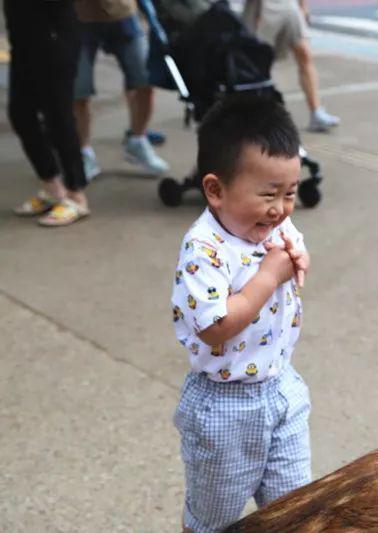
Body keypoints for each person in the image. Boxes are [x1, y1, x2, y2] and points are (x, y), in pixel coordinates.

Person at [171, 93, 312, 532]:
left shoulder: (272, 221)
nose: (281, 209)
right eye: (269, 195)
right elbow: (214, 327)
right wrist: (269, 277)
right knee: (214, 520)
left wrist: (298, 254)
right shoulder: (204, 249)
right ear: (215, 189)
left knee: (298, 511)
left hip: (282, 389)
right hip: (224, 408)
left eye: (290, 193)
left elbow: (291, 240)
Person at [6, 0, 91, 226]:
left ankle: (76, 195)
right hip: (22, 37)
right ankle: (52, 187)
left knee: (58, 117)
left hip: (54, 37)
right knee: (21, 114)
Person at [73, 0, 170, 179]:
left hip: (123, 13)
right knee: (79, 92)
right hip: (79, 18)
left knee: (145, 79)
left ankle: (137, 140)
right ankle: (84, 152)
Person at [242, 0, 340, 132]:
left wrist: (303, 6)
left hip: (289, 5)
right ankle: (254, 117)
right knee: (258, 62)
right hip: (263, 7)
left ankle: (316, 113)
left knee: (304, 54)